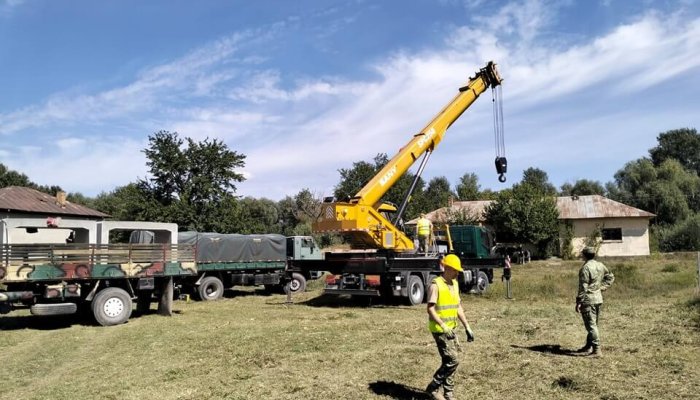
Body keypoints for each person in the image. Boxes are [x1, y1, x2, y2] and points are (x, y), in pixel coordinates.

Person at [425, 254, 474, 400]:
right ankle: (433, 388)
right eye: (455, 270)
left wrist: (467, 326)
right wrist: (443, 325)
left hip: (451, 328)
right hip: (440, 330)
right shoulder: (436, 284)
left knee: (449, 361)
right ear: (447, 268)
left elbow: (458, 306)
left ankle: (448, 393)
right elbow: (430, 309)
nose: (457, 273)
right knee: (453, 360)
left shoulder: (455, 283)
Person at [575, 246, 614, 357]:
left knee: (591, 325)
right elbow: (610, 276)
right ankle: (589, 345)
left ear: (584, 255)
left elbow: (583, 287)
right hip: (598, 298)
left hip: (588, 300)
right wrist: (602, 287)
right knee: (593, 324)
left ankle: (597, 350)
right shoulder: (600, 265)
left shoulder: (585, 268)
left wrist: (579, 301)